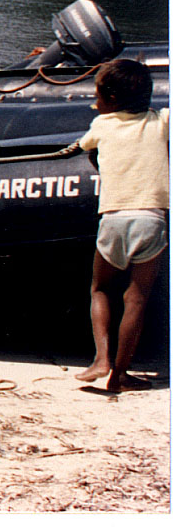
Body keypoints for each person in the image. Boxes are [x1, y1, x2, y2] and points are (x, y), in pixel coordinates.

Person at [72, 59, 169, 392]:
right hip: (152, 220)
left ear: (109, 99)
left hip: (114, 218)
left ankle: (101, 358)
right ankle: (121, 375)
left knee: (100, 289)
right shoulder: (161, 121)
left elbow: (86, 149)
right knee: (137, 298)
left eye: (97, 95)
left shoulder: (102, 124)